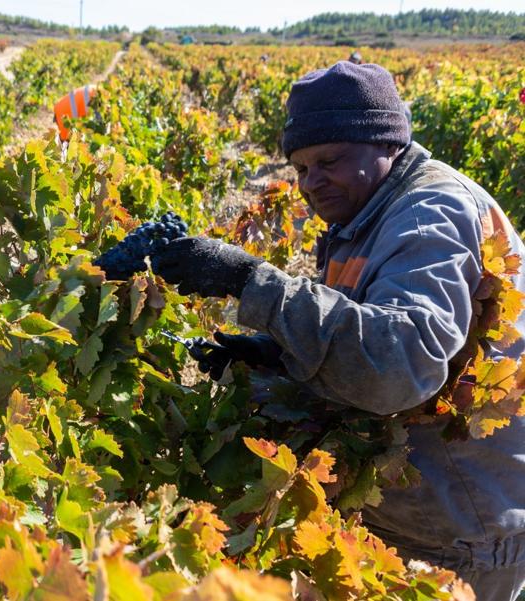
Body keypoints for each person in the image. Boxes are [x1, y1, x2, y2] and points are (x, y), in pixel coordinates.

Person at [150, 61, 525, 601]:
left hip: (464, 528)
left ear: (386, 144)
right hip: (423, 506)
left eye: (330, 161)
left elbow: (401, 366)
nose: (311, 183)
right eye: (301, 168)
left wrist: (253, 280)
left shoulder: (427, 216)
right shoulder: (371, 208)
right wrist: (280, 352)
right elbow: (369, 321)